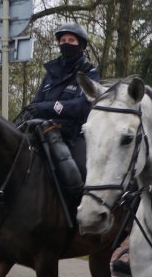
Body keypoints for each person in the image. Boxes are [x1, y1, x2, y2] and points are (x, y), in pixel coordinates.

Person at [22, 22, 100, 179]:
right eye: (63, 40)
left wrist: (47, 108)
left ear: (81, 45)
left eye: (71, 40)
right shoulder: (51, 73)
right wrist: (26, 116)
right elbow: (36, 103)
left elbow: (82, 106)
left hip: (73, 136)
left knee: (82, 172)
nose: (66, 44)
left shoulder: (89, 73)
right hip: (44, 132)